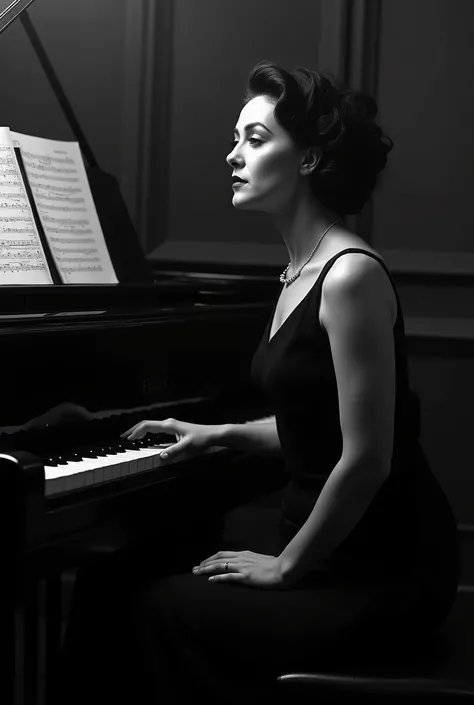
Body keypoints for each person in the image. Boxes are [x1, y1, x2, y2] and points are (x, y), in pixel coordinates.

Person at [50, 61, 460, 705]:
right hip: (326, 549)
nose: (232, 154)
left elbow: (368, 457)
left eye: (254, 138)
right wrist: (218, 435)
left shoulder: (350, 275)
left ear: (308, 159)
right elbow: (318, 424)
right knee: (110, 583)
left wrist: (286, 565)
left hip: (377, 571)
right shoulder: (297, 270)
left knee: (151, 605)